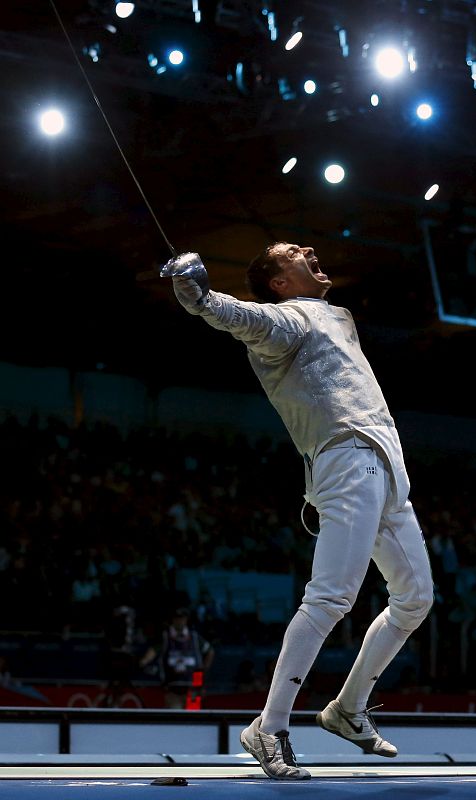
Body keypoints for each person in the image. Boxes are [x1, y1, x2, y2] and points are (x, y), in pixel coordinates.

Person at [169, 242, 433, 780]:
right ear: (279, 283)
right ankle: (268, 727)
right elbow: (243, 318)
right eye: (291, 253)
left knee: (415, 599)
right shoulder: (286, 320)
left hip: (384, 466)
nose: (308, 249)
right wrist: (198, 297)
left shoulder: (335, 316)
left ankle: (347, 709)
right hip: (345, 459)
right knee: (332, 597)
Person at [139, 607, 214, 708]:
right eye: (177, 618)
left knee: (193, 718)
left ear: (186, 619)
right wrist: (144, 661)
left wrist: (205, 668)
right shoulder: (165, 637)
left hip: (193, 689)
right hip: (172, 689)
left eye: (182, 618)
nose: (180, 621)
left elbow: (210, 651)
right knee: (176, 717)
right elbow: (153, 650)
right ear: (173, 620)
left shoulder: (195, 637)